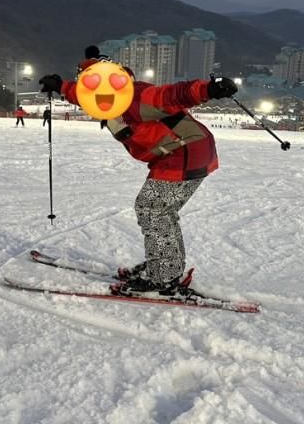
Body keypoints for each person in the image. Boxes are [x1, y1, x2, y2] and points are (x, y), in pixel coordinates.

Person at [39, 46, 238, 298]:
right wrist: (59, 85)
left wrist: (208, 89)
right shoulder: (103, 95)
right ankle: (165, 266)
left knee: (152, 208)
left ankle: (164, 278)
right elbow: (81, 94)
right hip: (176, 153)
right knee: (158, 210)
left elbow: (174, 94)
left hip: (184, 151)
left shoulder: (136, 96)